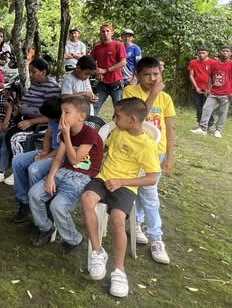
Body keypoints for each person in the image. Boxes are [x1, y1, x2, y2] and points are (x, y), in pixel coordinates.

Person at [81, 97, 161, 298]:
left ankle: (119, 270)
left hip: (125, 185)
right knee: (87, 199)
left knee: (117, 219)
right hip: (103, 178)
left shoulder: (147, 145)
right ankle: (98, 252)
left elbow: (152, 178)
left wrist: (122, 181)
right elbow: (104, 149)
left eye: (117, 116)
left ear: (132, 119)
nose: (114, 119)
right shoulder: (117, 131)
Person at [29, 97, 104, 250]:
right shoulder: (65, 134)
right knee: (34, 194)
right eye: (62, 112)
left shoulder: (89, 134)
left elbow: (75, 159)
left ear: (81, 116)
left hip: (81, 177)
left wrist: (67, 135)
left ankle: (74, 239)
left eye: (66, 112)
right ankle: (46, 228)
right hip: (64, 171)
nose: (62, 116)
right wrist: (50, 177)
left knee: (58, 206)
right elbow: (59, 158)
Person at [123, 57, 175, 264]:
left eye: (156, 74)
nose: (153, 78)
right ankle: (157, 239)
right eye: (147, 75)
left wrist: (170, 156)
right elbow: (137, 119)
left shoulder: (166, 98)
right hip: (136, 153)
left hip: (157, 152)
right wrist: (153, 94)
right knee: (150, 195)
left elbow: (169, 128)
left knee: (146, 193)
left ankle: (136, 223)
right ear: (138, 75)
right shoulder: (130, 92)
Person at [12, 98, 62, 223]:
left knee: (34, 168)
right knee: (18, 161)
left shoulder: (66, 122)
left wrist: (45, 157)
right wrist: (45, 151)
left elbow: (63, 149)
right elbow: (48, 136)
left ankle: (40, 207)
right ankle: (24, 202)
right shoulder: (53, 121)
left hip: (61, 156)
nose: (47, 119)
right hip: (50, 151)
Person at [5, 58, 61, 160]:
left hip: (37, 124)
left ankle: (18, 164)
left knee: (13, 136)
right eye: (30, 71)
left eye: (33, 72)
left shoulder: (52, 88)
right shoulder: (35, 84)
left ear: (43, 72)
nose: (30, 75)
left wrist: (30, 122)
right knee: (1, 133)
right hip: (23, 118)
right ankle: (1, 163)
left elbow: (52, 115)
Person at [191, 45, 232, 138]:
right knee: (206, 108)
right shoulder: (214, 64)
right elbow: (210, 76)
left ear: (230, 53)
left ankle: (218, 130)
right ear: (220, 52)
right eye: (223, 51)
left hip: (226, 93)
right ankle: (202, 128)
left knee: (223, 112)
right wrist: (208, 88)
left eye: (227, 51)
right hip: (213, 92)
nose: (224, 53)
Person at [90, 24, 127, 115]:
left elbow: (123, 62)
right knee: (94, 106)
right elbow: (90, 62)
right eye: (103, 31)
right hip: (102, 83)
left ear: (112, 33)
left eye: (107, 31)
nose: (105, 33)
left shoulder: (118, 45)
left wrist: (106, 70)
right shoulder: (97, 47)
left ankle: (119, 124)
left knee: (119, 109)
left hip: (116, 82)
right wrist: (97, 71)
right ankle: (90, 123)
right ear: (100, 33)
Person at [188, 46, 215, 129]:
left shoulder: (213, 62)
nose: (201, 54)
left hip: (209, 89)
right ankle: (200, 124)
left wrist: (209, 88)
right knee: (198, 106)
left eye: (203, 53)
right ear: (197, 53)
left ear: (207, 53)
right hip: (197, 88)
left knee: (208, 107)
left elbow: (215, 76)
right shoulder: (193, 62)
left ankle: (209, 125)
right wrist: (196, 87)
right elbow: (191, 75)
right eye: (199, 53)